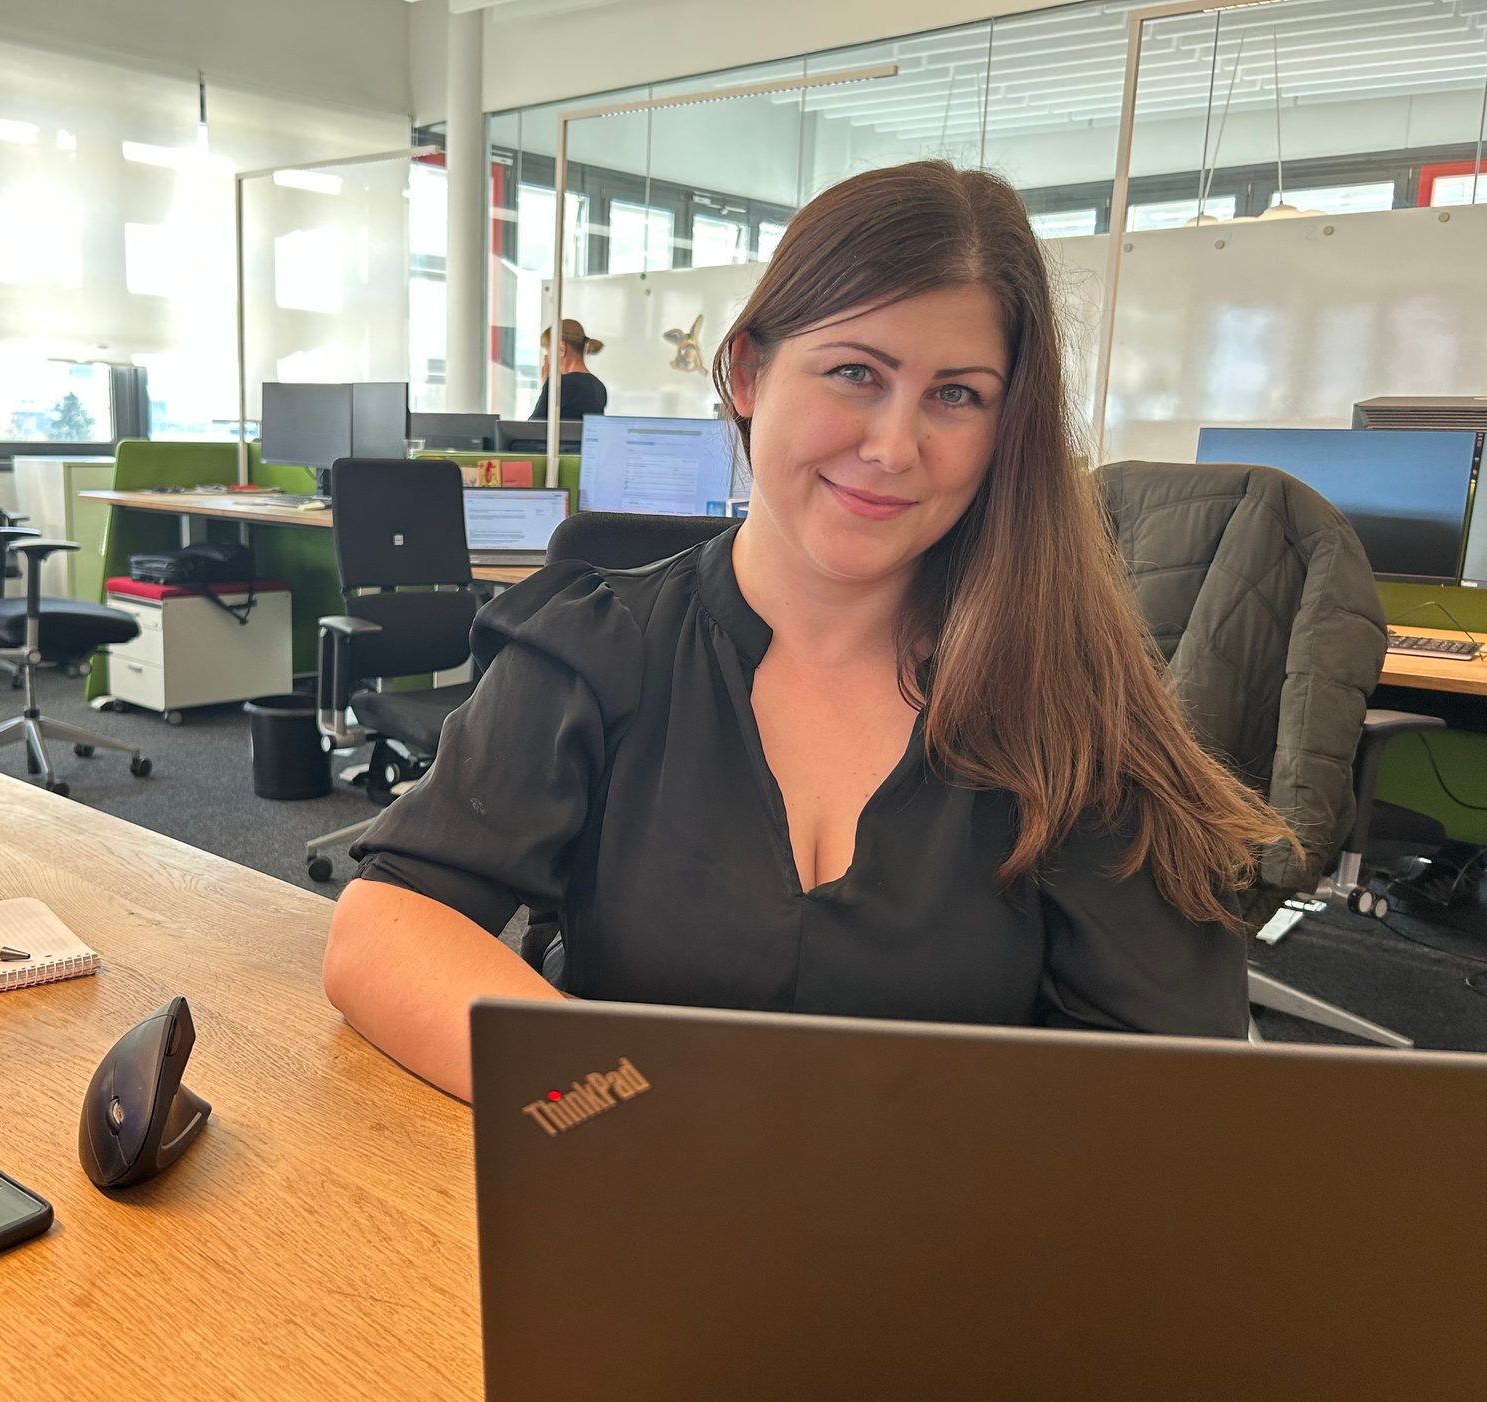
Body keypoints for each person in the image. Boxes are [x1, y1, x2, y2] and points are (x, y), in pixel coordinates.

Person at [323, 160, 1292, 1102]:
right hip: (635, 1185)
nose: (894, 447)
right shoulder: (597, 646)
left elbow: (1174, 1087)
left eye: (957, 394)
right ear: (749, 373)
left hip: (953, 1207)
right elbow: (388, 929)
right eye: (855, 373)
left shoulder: (1068, 708)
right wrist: (615, 1113)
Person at [528, 318, 608, 420]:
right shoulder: (599, 387)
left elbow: (532, 426)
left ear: (562, 348)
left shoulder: (559, 385)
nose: (547, 358)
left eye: (549, 351)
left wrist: (547, 386)